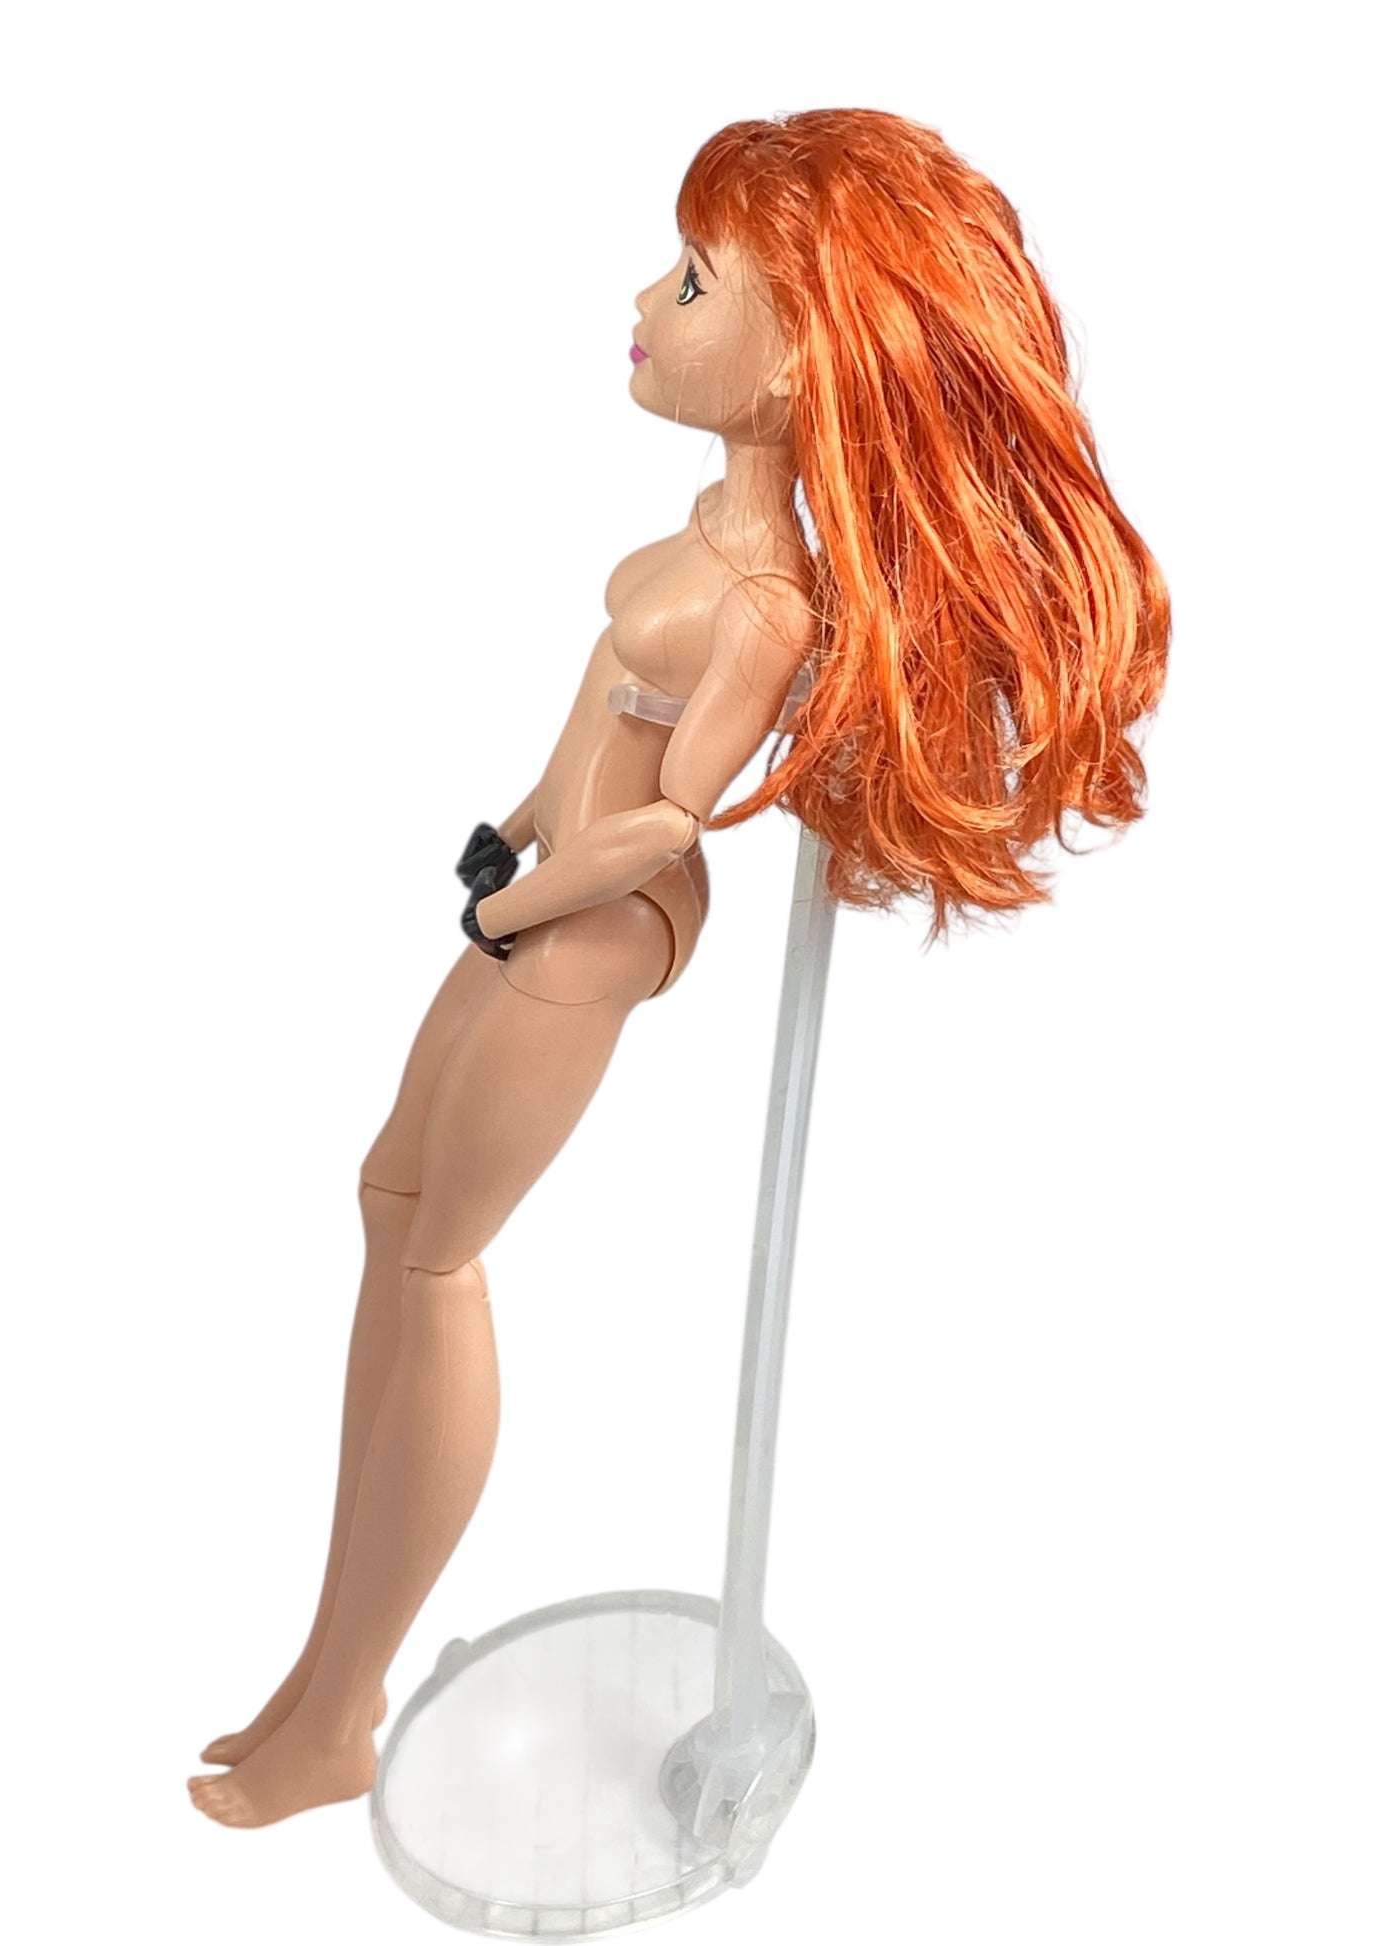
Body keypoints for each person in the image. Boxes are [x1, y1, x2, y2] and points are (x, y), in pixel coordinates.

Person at [189, 107, 1169, 1828]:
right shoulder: (706, 527)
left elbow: (669, 817)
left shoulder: (771, 602)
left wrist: (529, 898)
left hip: (585, 932)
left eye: (696, 281)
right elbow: (595, 724)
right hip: (531, 896)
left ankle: (341, 1709)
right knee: (383, 1197)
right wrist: (508, 832)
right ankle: (320, 1677)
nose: (647, 301)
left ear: (796, 361)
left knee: (440, 1260)